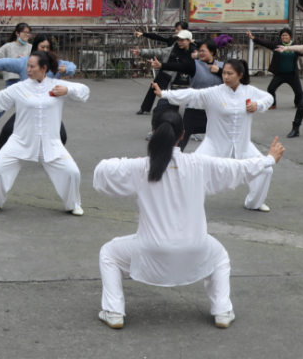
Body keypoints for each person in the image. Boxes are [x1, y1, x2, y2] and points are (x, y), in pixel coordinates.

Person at [94, 110, 286, 330]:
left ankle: (114, 311)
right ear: (183, 134)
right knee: (220, 256)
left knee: (108, 253)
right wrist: (269, 158)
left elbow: (101, 171)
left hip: (152, 250)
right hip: (196, 247)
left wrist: (138, 163)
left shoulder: (141, 167)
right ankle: (223, 311)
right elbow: (239, 169)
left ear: (154, 133)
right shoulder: (198, 164)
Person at [0, 51, 89, 215]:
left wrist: (67, 90)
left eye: (32, 66)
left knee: (72, 172)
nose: (28, 69)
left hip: (51, 143)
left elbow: (85, 91)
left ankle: (73, 204)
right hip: (20, 141)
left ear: (43, 68)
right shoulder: (19, 88)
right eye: (27, 65)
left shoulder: (56, 86)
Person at [154, 59, 276, 211]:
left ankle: (254, 203)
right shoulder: (214, 92)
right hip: (214, 144)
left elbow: (269, 97)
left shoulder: (249, 91)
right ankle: (185, 202)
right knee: (194, 169)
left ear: (240, 75)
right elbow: (191, 94)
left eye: (230, 73)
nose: (225, 76)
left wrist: (258, 105)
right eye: (223, 72)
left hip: (243, 145)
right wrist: (164, 94)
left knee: (266, 169)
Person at [0, 34, 77, 167]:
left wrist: (67, 69)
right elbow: (5, 62)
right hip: (27, 110)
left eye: (48, 47)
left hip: (48, 111)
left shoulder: (55, 65)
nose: (45, 50)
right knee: (7, 131)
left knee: (62, 136)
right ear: (35, 47)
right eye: (42, 47)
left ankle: (52, 157)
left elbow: (72, 66)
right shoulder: (24, 62)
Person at [152, 39, 224, 150]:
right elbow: (178, 66)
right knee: (180, 142)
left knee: (221, 143)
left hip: (214, 112)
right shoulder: (194, 65)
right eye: (199, 51)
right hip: (194, 111)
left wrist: (219, 71)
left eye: (203, 51)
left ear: (212, 52)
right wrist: (161, 65)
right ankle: (172, 162)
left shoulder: (223, 66)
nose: (200, 53)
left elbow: (239, 78)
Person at [132, 21, 193, 115]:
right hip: (167, 71)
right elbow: (158, 48)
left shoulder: (194, 51)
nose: (179, 41)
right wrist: (141, 51)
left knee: (179, 98)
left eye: (179, 29)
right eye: (176, 29)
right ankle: (145, 108)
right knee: (154, 88)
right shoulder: (173, 43)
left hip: (183, 78)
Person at [247, 28, 301, 110]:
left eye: (286, 35)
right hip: (280, 74)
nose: (284, 37)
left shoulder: (295, 45)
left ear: (290, 36)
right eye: (282, 35)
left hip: (292, 75)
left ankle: (297, 103)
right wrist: (252, 37)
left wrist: (302, 52)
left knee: (299, 93)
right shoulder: (277, 44)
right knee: (271, 88)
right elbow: (265, 42)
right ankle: (273, 104)